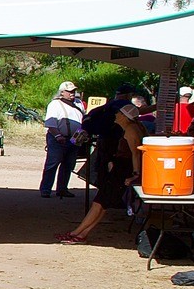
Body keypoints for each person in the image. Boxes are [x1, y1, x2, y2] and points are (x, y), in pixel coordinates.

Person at [59, 92, 145, 244]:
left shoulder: (131, 130)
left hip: (122, 170)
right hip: (121, 167)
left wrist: (135, 174)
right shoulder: (134, 128)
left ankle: (77, 232)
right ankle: (81, 233)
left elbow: (136, 154)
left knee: (99, 203)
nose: (116, 115)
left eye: (119, 113)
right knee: (102, 203)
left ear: (125, 116)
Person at [40, 81, 85, 199]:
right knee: (52, 163)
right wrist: (58, 136)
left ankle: (62, 189)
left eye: (73, 91)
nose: (72, 93)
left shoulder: (79, 103)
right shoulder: (55, 104)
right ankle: (45, 189)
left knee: (69, 164)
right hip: (58, 138)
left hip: (74, 139)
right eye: (69, 91)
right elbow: (51, 124)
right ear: (62, 92)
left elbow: (82, 121)